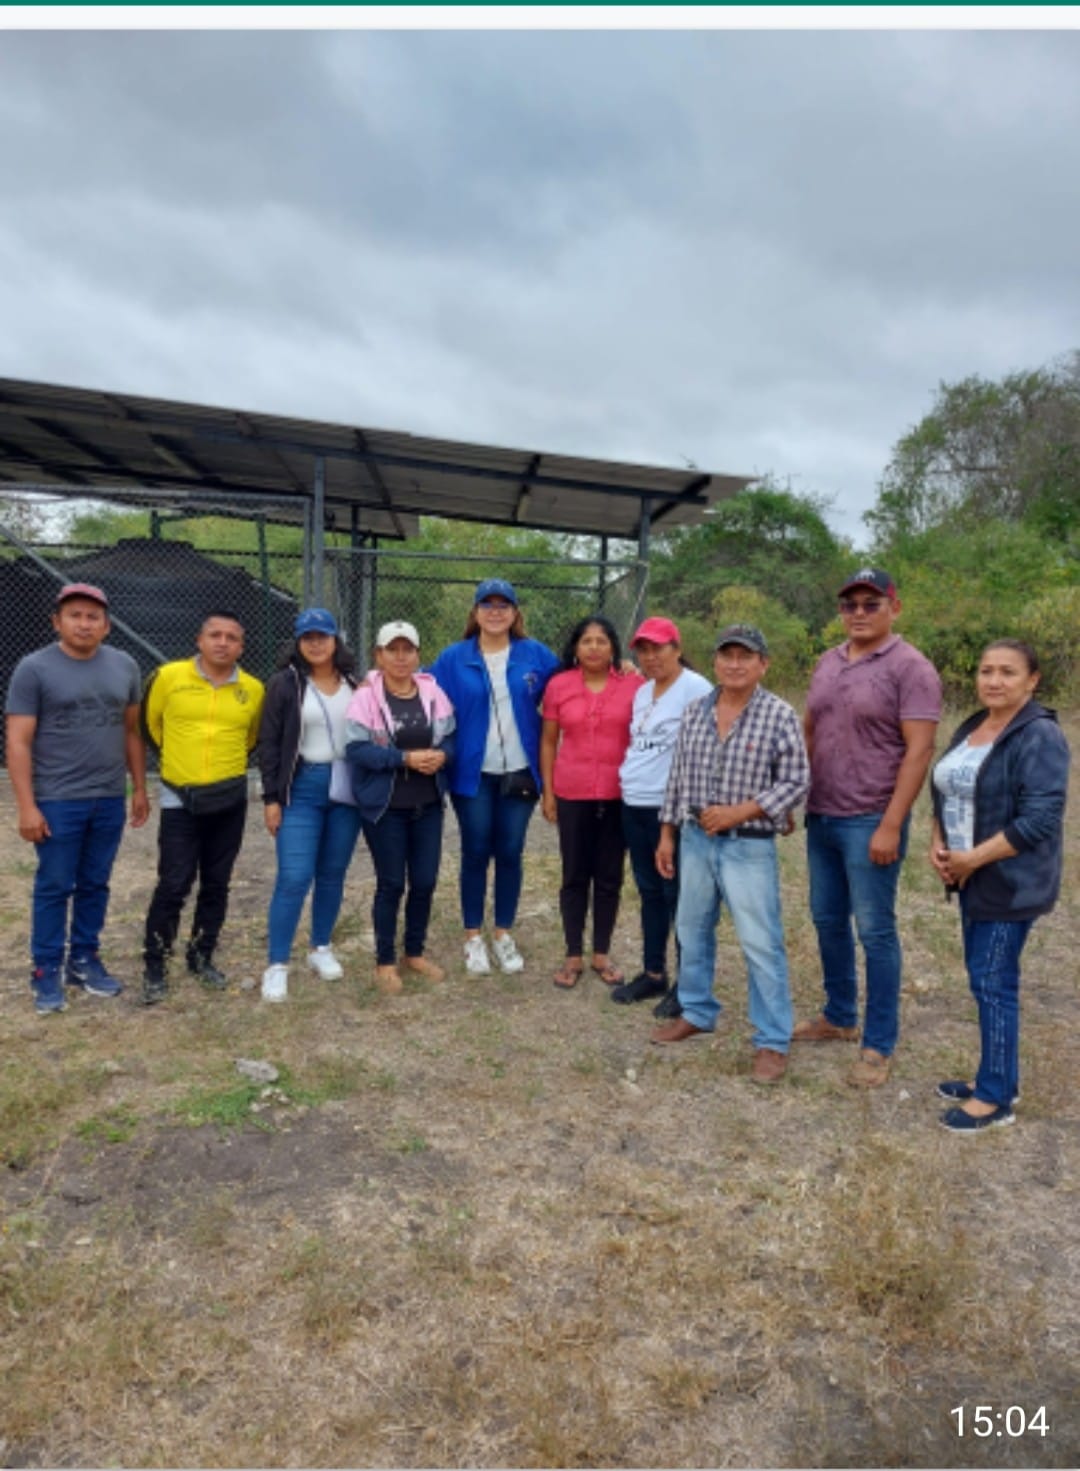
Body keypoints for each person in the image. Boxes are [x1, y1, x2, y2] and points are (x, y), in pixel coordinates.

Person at [794, 568, 942, 1087]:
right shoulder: (828, 661)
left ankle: (878, 1043)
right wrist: (795, 794)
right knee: (827, 919)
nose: (859, 613)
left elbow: (919, 750)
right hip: (823, 813)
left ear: (893, 608)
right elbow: (810, 730)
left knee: (875, 930)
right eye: (850, 605)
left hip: (870, 818)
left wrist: (891, 823)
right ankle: (839, 1015)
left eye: (870, 604)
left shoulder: (911, 668)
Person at [651, 625, 810, 1084]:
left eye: (745, 656)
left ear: (763, 664)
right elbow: (678, 776)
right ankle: (697, 1011)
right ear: (715, 662)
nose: (735, 665)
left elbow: (797, 781)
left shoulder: (778, 715)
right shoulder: (696, 711)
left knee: (760, 941)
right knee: (692, 928)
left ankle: (772, 1039)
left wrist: (741, 811)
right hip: (696, 839)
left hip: (748, 844)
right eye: (727, 656)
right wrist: (667, 834)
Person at [929, 640, 1069, 1132]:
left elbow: (1040, 819)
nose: (994, 680)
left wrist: (973, 858)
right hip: (971, 875)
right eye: (987, 670)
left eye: (1008, 672)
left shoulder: (1039, 735)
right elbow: (947, 789)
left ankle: (996, 1098)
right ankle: (995, 1074)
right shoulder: (975, 726)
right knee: (984, 978)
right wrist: (938, 841)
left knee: (993, 982)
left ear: (1032, 680)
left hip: (1010, 882)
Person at [5, 583, 148, 1013]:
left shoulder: (124, 666)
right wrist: (27, 806)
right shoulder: (34, 669)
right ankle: (45, 969)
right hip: (57, 798)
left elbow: (130, 731)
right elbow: (17, 741)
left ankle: (83, 959)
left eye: (92, 617)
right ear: (57, 622)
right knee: (54, 885)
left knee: (95, 882)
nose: (84, 624)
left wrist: (139, 788)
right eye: (75, 615)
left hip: (108, 796)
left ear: (106, 625)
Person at [430, 579, 560, 976]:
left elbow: (573, 680)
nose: (496, 611)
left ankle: (503, 932)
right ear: (475, 612)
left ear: (515, 613)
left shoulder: (535, 654)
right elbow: (420, 687)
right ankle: (473, 936)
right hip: (473, 773)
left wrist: (621, 669)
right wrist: (373, 681)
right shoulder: (454, 658)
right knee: (475, 850)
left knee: (510, 851)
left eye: (504, 605)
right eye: (487, 604)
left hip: (519, 772)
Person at [141, 610, 264, 1004]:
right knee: (174, 882)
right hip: (179, 796)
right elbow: (151, 726)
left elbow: (251, 738)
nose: (222, 643)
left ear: (241, 647)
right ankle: (156, 964)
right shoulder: (168, 677)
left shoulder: (253, 689)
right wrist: (182, 766)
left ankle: (201, 955)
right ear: (199, 640)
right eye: (215, 635)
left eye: (232, 637)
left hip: (229, 798)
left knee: (217, 882)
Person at [257, 609, 363, 1003]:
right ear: (298, 643)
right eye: (308, 638)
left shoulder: (354, 683)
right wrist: (272, 798)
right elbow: (269, 743)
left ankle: (320, 946)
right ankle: (277, 964)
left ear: (336, 640)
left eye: (323, 636)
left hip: (346, 787)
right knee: (294, 876)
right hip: (303, 787)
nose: (316, 644)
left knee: (332, 873)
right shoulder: (285, 684)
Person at [346, 621, 456, 994]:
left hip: (428, 804)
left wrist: (442, 755)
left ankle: (414, 952)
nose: (400, 657)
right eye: (392, 650)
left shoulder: (432, 692)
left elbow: (451, 737)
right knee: (391, 884)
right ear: (378, 655)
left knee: (424, 882)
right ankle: (385, 960)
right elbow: (356, 749)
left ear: (417, 654)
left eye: (407, 649)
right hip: (385, 807)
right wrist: (403, 758)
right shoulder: (365, 697)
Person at [539, 615, 644, 988]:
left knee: (610, 876)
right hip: (572, 793)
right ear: (576, 648)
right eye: (587, 641)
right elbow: (549, 741)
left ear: (613, 646)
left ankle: (601, 952)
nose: (594, 647)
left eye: (602, 641)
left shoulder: (634, 685)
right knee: (574, 875)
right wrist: (548, 792)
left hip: (619, 795)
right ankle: (573, 954)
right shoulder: (559, 685)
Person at [614, 616, 712, 1009]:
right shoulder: (643, 691)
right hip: (634, 803)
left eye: (658, 648)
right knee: (650, 891)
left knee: (679, 896)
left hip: (667, 808)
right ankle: (654, 973)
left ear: (677, 649)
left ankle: (688, 985)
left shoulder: (695, 688)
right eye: (643, 650)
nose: (650, 656)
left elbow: (705, 751)